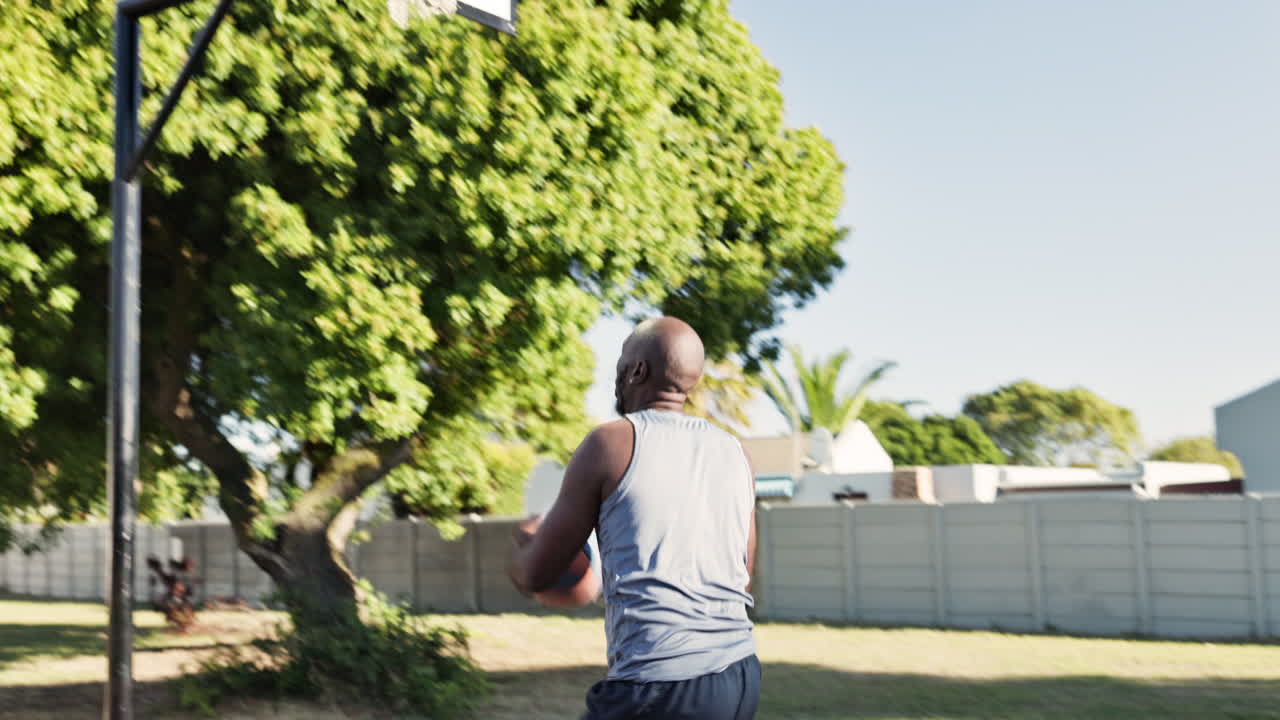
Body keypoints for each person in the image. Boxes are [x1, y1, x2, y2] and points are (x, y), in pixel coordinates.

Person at [508, 316, 760, 720]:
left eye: (621, 360)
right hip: (739, 675)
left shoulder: (611, 443)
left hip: (661, 684)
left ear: (637, 370)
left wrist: (525, 544)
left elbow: (535, 575)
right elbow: (742, 576)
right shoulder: (736, 453)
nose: (617, 373)